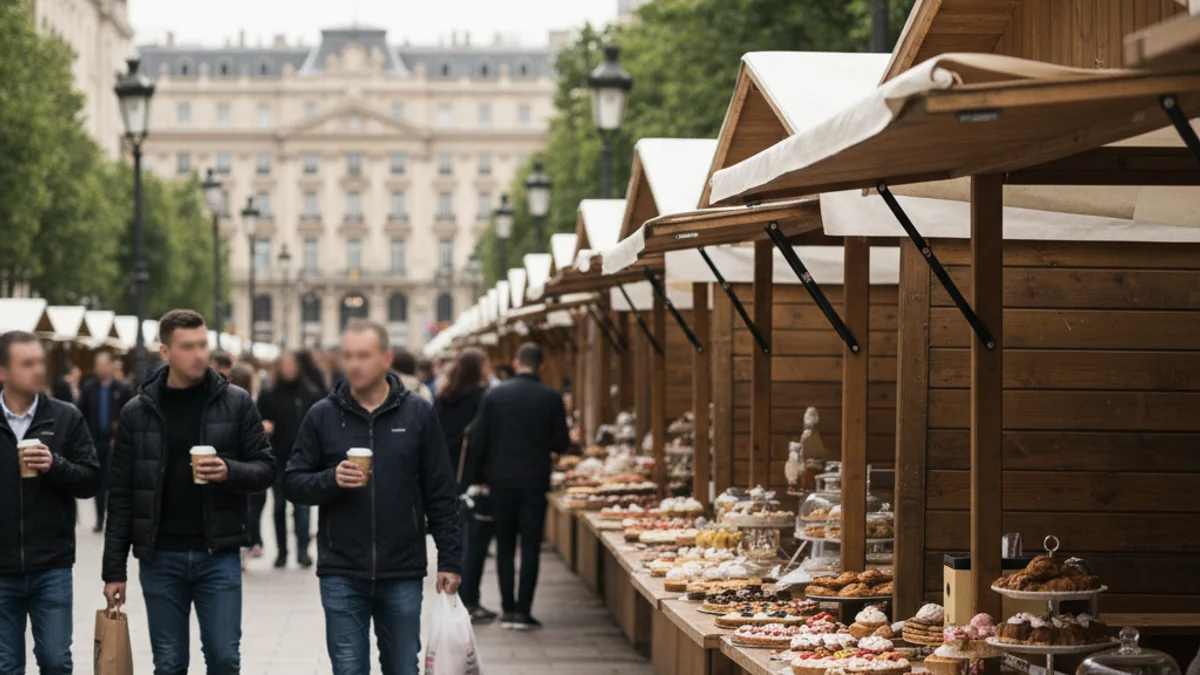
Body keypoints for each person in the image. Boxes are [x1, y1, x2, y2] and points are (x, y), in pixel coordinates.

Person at [102, 309, 275, 675]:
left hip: (219, 554)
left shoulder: (236, 402)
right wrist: (113, 570)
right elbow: (121, 495)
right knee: (169, 663)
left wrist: (229, 471)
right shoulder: (137, 412)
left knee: (225, 658)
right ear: (165, 352)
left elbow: (266, 469)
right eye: (188, 347)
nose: (199, 354)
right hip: (160, 555)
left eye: (202, 345)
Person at [285, 319, 461, 675]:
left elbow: (441, 491)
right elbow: (293, 482)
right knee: (348, 669)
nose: (354, 364)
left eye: (363, 356)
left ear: (386, 358)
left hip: (402, 569)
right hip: (341, 569)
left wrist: (450, 559)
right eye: (348, 356)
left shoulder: (418, 413)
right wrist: (331, 479)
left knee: (402, 668)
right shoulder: (323, 414)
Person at [0, 331, 100, 674]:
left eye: (40, 362)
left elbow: (91, 480)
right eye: (27, 364)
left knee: (56, 661)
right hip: (1, 567)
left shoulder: (65, 417)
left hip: (51, 565)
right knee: (6, 665)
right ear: (3, 371)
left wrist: (55, 465)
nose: (39, 370)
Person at [466, 343, 569, 630]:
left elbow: (478, 439)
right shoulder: (551, 397)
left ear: (515, 363)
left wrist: (479, 478)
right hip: (534, 480)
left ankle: (507, 609)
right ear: (542, 367)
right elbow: (562, 443)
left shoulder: (494, 395)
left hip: (500, 481)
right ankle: (523, 611)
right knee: (531, 546)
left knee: (505, 545)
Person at [434, 348, 493, 622]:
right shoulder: (483, 398)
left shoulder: (444, 397)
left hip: (445, 474)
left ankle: (459, 596)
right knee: (474, 540)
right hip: (470, 477)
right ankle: (470, 598)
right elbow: (482, 439)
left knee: (457, 536)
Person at [256, 350, 321, 569]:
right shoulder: (269, 394)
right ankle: (282, 552)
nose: (288, 369)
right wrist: (264, 427)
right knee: (278, 508)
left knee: (302, 508)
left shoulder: (309, 393)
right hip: (277, 457)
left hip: (303, 459)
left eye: (292, 365)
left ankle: (302, 550)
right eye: (284, 365)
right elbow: (257, 421)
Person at [77, 352, 134, 533]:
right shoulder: (88, 388)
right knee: (99, 481)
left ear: (110, 366)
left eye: (103, 364)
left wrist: (121, 436)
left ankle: (116, 518)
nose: (100, 368)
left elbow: (129, 415)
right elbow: (80, 415)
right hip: (95, 441)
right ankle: (100, 518)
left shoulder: (122, 388)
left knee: (115, 481)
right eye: (97, 365)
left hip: (115, 442)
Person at [229, 363, 268, 562]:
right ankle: (251, 542)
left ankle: (248, 544)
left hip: (236, 463)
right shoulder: (252, 402)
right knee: (254, 507)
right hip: (251, 464)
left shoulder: (229, 403)